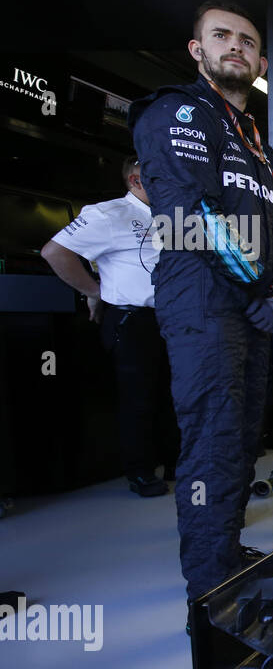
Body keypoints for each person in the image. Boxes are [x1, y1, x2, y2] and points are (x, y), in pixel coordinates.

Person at [129, 0, 273, 602]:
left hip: (249, 308)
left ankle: (224, 554)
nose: (237, 47)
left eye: (248, 41)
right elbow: (185, 215)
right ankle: (210, 594)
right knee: (213, 442)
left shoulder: (252, 136)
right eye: (222, 36)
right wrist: (260, 290)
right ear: (197, 50)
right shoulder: (177, 112)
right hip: (202, 304)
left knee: (243, 440)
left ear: (261, 62)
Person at [40, 155, 180, 497]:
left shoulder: (174, 215)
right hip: (133, 318)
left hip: (176, 320)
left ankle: (176, 462)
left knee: (176, 394)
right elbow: (54, 252)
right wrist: (93, 290)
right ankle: (141, 472)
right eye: (158, 177)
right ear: (135, 181)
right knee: (139, 398)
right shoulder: (107, 213)